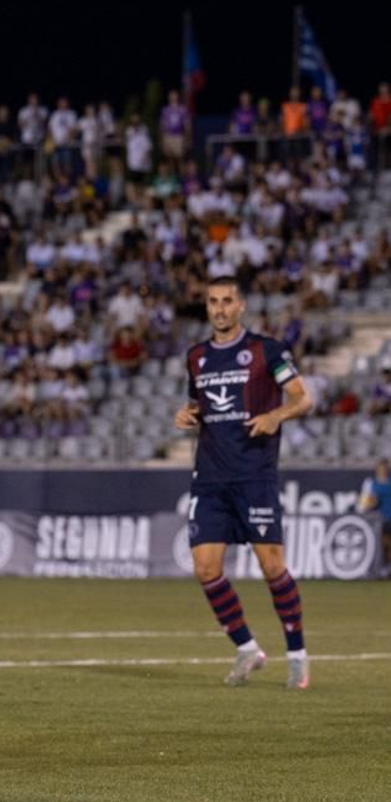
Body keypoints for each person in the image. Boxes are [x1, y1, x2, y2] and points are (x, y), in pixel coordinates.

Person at [173, 276, 315, 689]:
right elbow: (199, 405)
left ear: (241, 306)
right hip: (210, 479)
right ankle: (247, 649)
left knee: (272, 567)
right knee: (205, 568)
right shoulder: (196, 356)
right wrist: (187, 415)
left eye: (226, 301)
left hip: (254, 474)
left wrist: (275, 416)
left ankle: (297, 656)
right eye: (212, 301)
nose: (219, 308)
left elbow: (303, 397)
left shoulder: (265, 350)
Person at [357, 459, 391, 578]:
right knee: (381, 545)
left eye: (386, 468)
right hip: (379, 520)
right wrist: (372, 503)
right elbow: (364, 505)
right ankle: (378, 569)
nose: (384, 471)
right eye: (382, 468)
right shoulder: (371, 483)